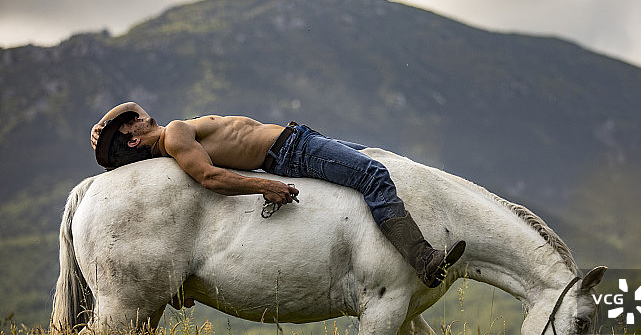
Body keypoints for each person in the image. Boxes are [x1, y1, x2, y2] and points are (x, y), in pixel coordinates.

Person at [90, 102, 465, 289]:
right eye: (130, 121)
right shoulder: (174, 135)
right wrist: (264, 186)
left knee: (375, 159)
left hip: (295, 140)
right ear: (133, 139)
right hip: (289, 150)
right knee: (373, 173)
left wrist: (104, 130)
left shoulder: (175, 138)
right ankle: (424, 259)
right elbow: (210, 177)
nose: (138, 114)